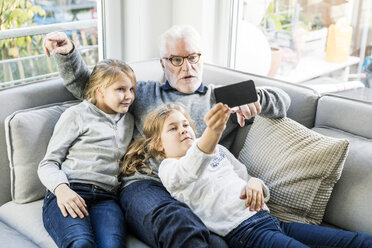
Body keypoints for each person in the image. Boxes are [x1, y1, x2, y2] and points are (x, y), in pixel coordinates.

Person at [43, 25, 290, 248]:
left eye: (193, 57)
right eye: (176, 60)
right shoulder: (143, 93)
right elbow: (92, 89)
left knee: (217, 241)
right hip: (145, 185)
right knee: (177, 224)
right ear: (163, 64)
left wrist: (255, 98)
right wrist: (68, 53)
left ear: (201, 58)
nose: (187, 67)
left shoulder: (221, 98)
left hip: (202, 192)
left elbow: (284, 100)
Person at [124, 102, 372, 248]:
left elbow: (246, 176)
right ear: (158, 144)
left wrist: (256, 184)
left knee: (354, 241)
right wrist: (213, 131)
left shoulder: (218, 149)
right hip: (246, 233)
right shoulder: (171, 169)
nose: (183, 130)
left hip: (272, 220)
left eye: (186, 124)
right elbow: (194, 164)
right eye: (173, 128)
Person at [38, 59, 136, 248]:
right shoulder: (76, 115)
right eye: (121, 89)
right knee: (81, 243)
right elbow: (47, 163)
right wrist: (62, 190)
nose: (129, 96)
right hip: (71, 189)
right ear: (100, 91)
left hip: (107, 198)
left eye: (132, 89)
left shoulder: (129, 119)